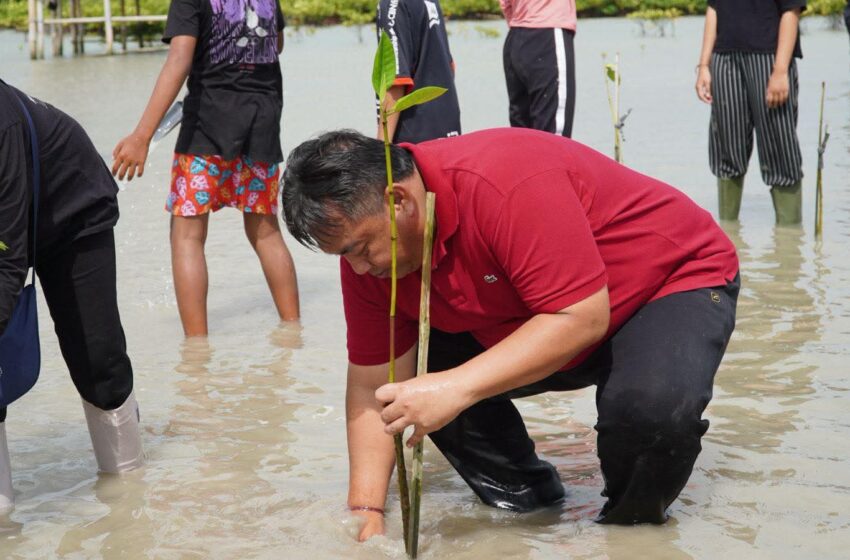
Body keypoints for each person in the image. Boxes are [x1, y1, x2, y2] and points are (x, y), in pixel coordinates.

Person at [280, 128, 740, 540]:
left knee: (648, 414)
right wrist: (366, 511)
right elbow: (372, 388)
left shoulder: (504, 183)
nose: (359, 268)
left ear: (398, 200)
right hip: (536, 322)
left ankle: (627, 533)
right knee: (416, 382)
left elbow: (581, 317)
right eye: (344, 256)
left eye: (361, 249)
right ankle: (531, 509)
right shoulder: (370, 260)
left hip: (661, 289)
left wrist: (455, 387)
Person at [112, 0, 300, 336]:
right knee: (266, 232)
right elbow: (278, 43)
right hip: (262, 120)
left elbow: (180, 57)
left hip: (208, 123)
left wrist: (142, 135)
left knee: (187, 235)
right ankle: (293, 329)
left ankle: (196, 348)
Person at [0, 81, 144, 511]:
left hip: (72, 209)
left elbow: (7, 262)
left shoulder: (2, 125)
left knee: (96, 359)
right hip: (10, 224)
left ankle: (129, 495)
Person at [695, 0, 806, 224]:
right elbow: (713, 9)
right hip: (724, 57)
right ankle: (730, 234)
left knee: (779, 146)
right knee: (727, 148)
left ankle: (789, 241)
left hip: (769, 58)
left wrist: (781, 70)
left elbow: (791, 11)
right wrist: (704, 65)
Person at [376, 0, 461, 143]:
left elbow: (396, 80)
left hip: (416, 138)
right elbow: (450, 65)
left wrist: (381, 148)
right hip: (450, 130)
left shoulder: (393, 4)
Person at [500, 0, 577, 137]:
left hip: (516, 36)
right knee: (554, 139)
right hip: (547, 34)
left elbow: (505, 4)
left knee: (523, 137)